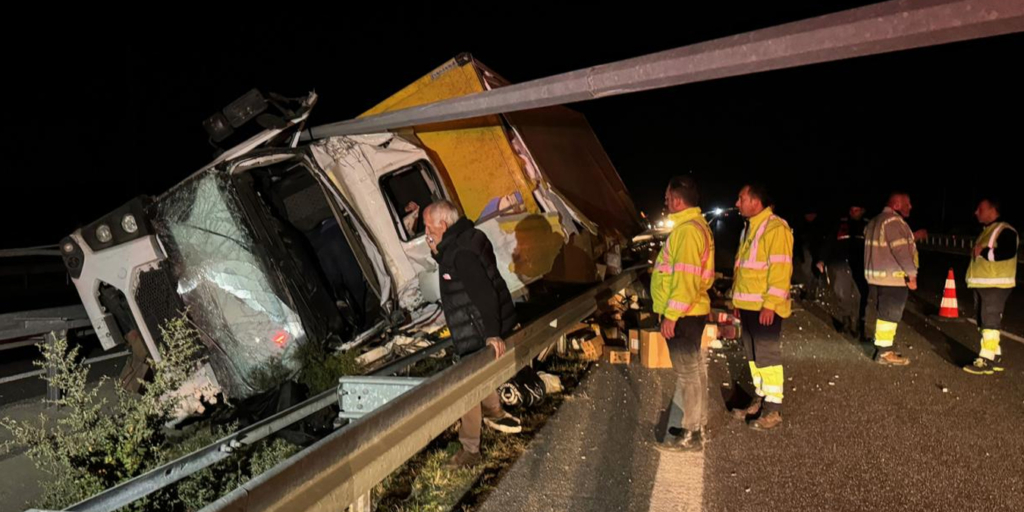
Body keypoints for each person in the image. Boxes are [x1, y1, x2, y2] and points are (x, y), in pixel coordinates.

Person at [424, 200, 523, 467]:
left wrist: (492, 333)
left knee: (467, 386)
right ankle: (494, 411)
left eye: (428, 226)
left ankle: (470, 450)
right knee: (478, 378)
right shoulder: (467, 237)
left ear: (443, 225)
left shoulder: (461, 254)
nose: (426, 231)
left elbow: (483, 292)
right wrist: (436, 252)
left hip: (477, 328)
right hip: (477, 324)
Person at [651, 176, 715, 451]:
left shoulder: (687, 231)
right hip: (692, 311)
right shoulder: (695, 227)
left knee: (688, 374)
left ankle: (691, 435)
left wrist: (671, 315)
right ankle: (696, 426)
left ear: (677, 200)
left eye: (667, 197)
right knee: (695, 371)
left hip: (684, 314)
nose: (665, 201)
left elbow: (685, 279)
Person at [730, 183, 794, 431]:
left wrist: (770, 305)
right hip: (747, 304)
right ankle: (761, 399)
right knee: (754, 357)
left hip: (764, 307)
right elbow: (743, 269)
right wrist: (737, 300)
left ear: (756, 202)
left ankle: (773, 408)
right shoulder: (749, 228)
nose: (737, 203)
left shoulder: (775, 228)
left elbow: (780, 270)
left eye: (741, 198)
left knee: (767, 357)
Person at [963, 197, 1018, 375]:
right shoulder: (988, 230)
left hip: (995, 285)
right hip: (984, 284)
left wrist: (984, 252)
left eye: (980, 209)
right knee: (983, 321)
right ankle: (995, 356)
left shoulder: (1005, 230)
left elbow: (1008, 252)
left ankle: (985, 359)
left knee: (989, 321)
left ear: (992, 209)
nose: (976, 212)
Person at [863, 192, 919, 366]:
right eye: (907, 203)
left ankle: (882, 348)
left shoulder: (874, 221)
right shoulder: (893, 222)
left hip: (876, 277)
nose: (910, 207)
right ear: (896, 205)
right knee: (889, 315)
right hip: (892, 278)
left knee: (883, 314)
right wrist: (911, 274)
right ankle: (884, 352)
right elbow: (900, 250)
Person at [817, 202, 869, 338]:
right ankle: (845, 320)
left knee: (859, 295)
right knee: (842, 292)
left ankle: (857, 323)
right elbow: (829, 241)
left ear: (862, 211)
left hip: (860, 266)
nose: (853, 212)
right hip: (840, 263)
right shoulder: (841, 225)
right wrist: (822, 259)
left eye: (856, 210)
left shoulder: (868, 226)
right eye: (851, 209)